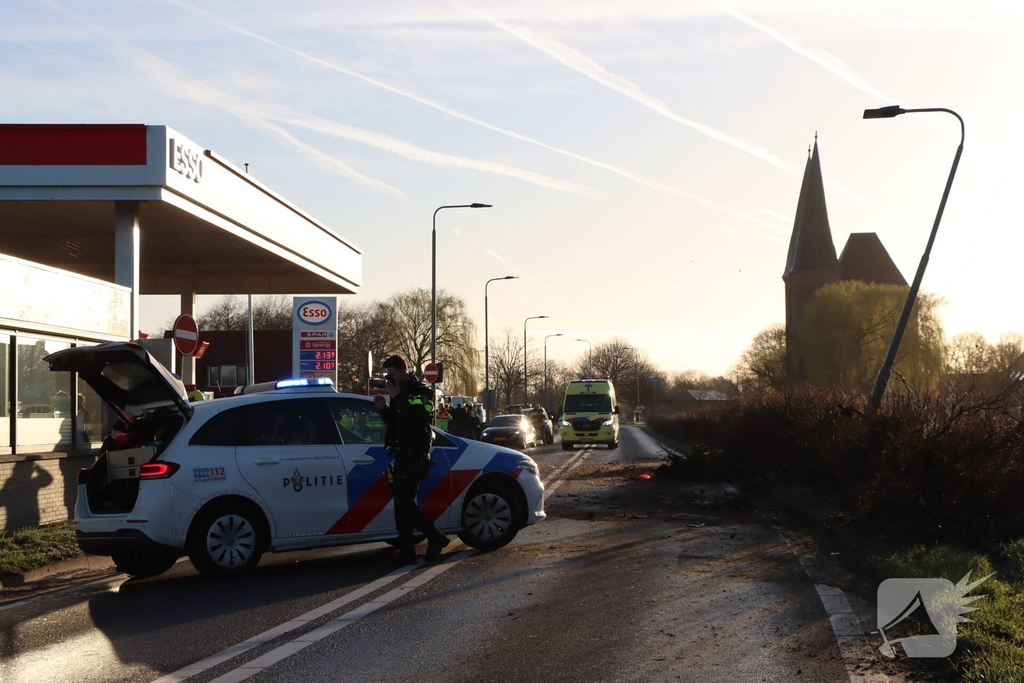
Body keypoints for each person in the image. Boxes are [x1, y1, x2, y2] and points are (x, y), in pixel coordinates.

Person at [373, 355, 450, 565]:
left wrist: (397, 397)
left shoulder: (422, 392)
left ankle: (436, 537)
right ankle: (407, 549)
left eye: (394, 374)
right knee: (401, 505)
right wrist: (383, 409)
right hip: (401, 453)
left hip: (415, 454)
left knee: (405, 503)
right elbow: (397, 423)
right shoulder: (400, 394)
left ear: (404, 370)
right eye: (389, 376)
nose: (392, 379)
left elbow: (419, 418)